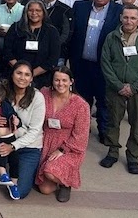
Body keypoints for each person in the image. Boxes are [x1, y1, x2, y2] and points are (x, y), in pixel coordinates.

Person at [99, 4, 138, 175]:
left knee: (137, 123)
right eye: (126, 17)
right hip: (114, 88)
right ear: (121, 18)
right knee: (113, 121)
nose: (129, 21)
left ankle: (133, 156)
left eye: (133, 18)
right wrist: (118, 85)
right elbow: (106, 63)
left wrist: (135, 87)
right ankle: (112, 152)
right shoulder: (112, 37)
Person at [0, 61, 45, 200]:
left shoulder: (37, 97)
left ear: (32, 78)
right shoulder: (2, 93)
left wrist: (13, 146)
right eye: (19, 73)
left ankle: (22, 170)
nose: (22, 78)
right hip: (2, 141)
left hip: (28, 146)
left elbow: (34, 131)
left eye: (27, 74)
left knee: (20, 192)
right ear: (12, 74)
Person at [69, 0, 121, 144]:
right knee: (83, 101)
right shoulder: (80, 7)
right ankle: (81, 131)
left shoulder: (118, 11)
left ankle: (104, 132)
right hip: (81, 63)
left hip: (104, 66)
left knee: (104, 100)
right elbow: (72, 33)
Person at [35, 67, 90, 203]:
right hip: (46, 141)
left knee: (49, 171)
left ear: (71, 82)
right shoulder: (44, 93)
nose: (61, 84)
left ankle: (66, 183)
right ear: (52, 81)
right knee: (45, 189)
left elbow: (81, 136)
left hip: (69, 147)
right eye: (57, 80)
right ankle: (59, 178)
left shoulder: (80, 105)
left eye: (64, 80)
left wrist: (62, 150)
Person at [3, 0, 60, 88]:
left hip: (42, 79)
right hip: (16, 77)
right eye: (31, 10)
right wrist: (20, 73)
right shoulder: (16, 28)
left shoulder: (51, 31)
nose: (34, 13)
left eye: (38, 10)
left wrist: (30, 74)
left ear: (43, 12)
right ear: (26, 12)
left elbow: (53, 59)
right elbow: (7, 52)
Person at [40, 0, 72, 66]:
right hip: (35, 50)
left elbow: (66, 33)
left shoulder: (66, 10)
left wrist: (54, 45)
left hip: (57, 52)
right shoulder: (33, 5)